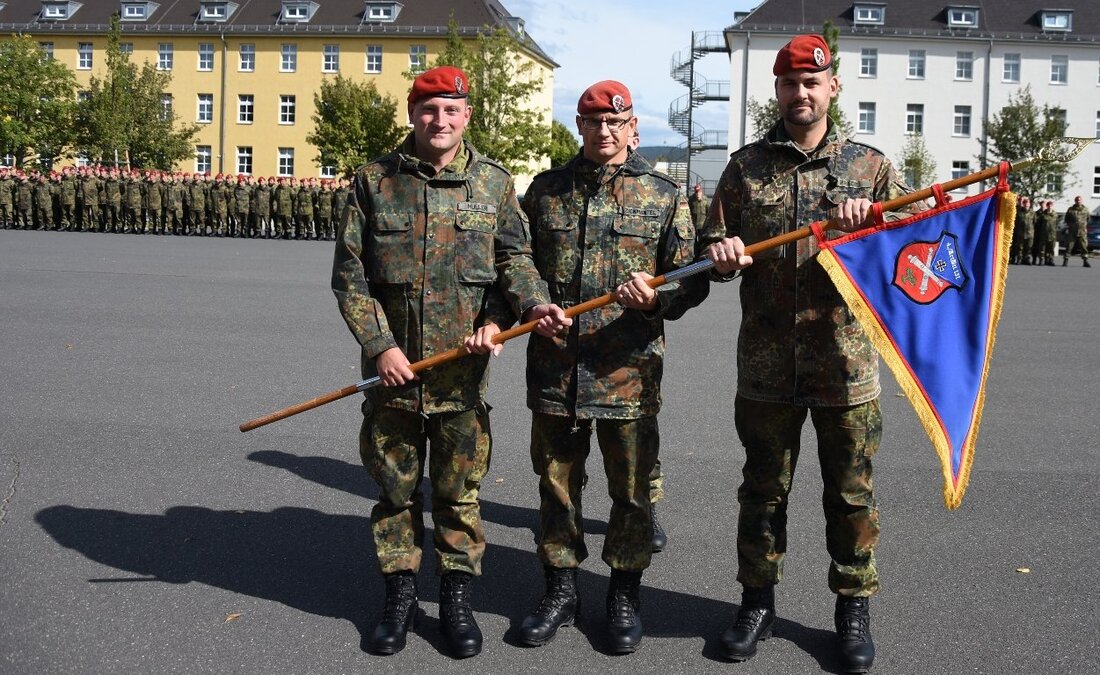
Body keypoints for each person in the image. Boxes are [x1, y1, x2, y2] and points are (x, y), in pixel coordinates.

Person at [698, 34, 922, 673]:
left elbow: (907, 262)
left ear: (833, 88)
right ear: (778, 90)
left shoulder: (870, 168)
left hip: (845, 365)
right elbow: (714, 242)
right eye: (790, 83)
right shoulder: (745, 168)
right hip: (766, 366)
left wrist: (870, 228)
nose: (801, 93)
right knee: (763, 490)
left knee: (851, 494)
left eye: (812, 82)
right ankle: (756, 602)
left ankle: (852, 609)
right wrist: (720, 255)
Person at [332, 65, 568, 659]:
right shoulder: (374, 181)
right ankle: (400, 599)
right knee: (395, 492)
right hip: (394, 377)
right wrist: (380, 345)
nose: (440, 121)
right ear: (413, 113)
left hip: (463, 378)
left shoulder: (492, 184)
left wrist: (512, 313)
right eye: (429, 109)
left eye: (452, 110)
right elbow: (350, 276)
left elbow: (514, 260)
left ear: (467, 116)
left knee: (460, 494)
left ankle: (457, 602)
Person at [510, 80, 706, 654]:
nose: (605, 132)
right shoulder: (546, 192)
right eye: (594, 122)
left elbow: (689, 274)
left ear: (634, 128)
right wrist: (531, 301)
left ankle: (624, 592)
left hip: (628, 371)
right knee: (556, 488)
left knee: (632, 491)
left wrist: (658, 297)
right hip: (555, 369)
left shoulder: (663, 194)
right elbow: (516, 257)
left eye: (616, 123)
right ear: (579, 125)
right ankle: (561, 589)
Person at [1062, 195, 1091, 267]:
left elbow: (1088, 219)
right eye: (1077, 200)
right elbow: (1067, 219)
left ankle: (1085, 261)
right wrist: (1071, 226)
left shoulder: (1085, 209)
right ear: (1075, 201)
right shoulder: (1071, 209)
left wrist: (1084, 226)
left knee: (1084, 247)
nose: (1078, 201)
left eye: (1079, 200)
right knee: (1069, 246)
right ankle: (1065, 260)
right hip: (1072, 231)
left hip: (1082, 231)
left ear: (1081, 201)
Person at [1034, 200, 1057, 266]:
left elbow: (1056, 224)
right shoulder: (1043, 214)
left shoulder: (1055, 214)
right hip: (1044, 234)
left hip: (1052, 235)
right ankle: (1041, 260)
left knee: (1051, 249)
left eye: (1051, 205)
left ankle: (1050, 260)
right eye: (1048, 205)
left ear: (1052, 206)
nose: (1050, 206)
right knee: (1042, 248)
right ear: (1047, 206)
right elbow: (1038, 224)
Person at [1012, 196, 1033, 264]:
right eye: (1025, 204)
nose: (1026, 205)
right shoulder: (1019, 212)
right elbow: (1016, 221)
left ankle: (1026, 259)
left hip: (1029, 233)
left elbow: (1034, 222)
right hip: (1020, 232)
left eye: (1027, 204)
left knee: (1028, 247)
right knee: (1020, 247)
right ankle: (1019, 259)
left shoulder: (1032, 213)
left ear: (1029, 204)